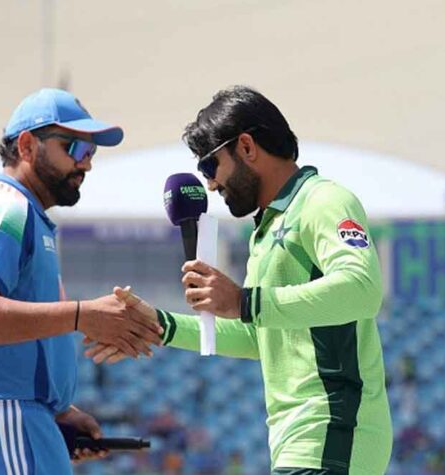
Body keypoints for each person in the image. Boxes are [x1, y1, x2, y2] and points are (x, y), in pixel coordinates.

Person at [88, 86, 393, 474]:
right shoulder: (265, 231)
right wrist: (160, 325)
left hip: (334, 431)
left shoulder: (323, 201)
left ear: (246, 147)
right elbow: (256, 335)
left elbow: (363, 290)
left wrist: (244, 302)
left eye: (210, 166)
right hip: (305, 440)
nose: (210, 185)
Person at [0, 88, 163, 475]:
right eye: (74, 148)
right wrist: (83, 315)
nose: (86, 164)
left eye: (91, 152)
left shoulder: (23, 213)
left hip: (7, 421)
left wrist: (56, 411)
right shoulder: (5, 210)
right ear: (27, 146)